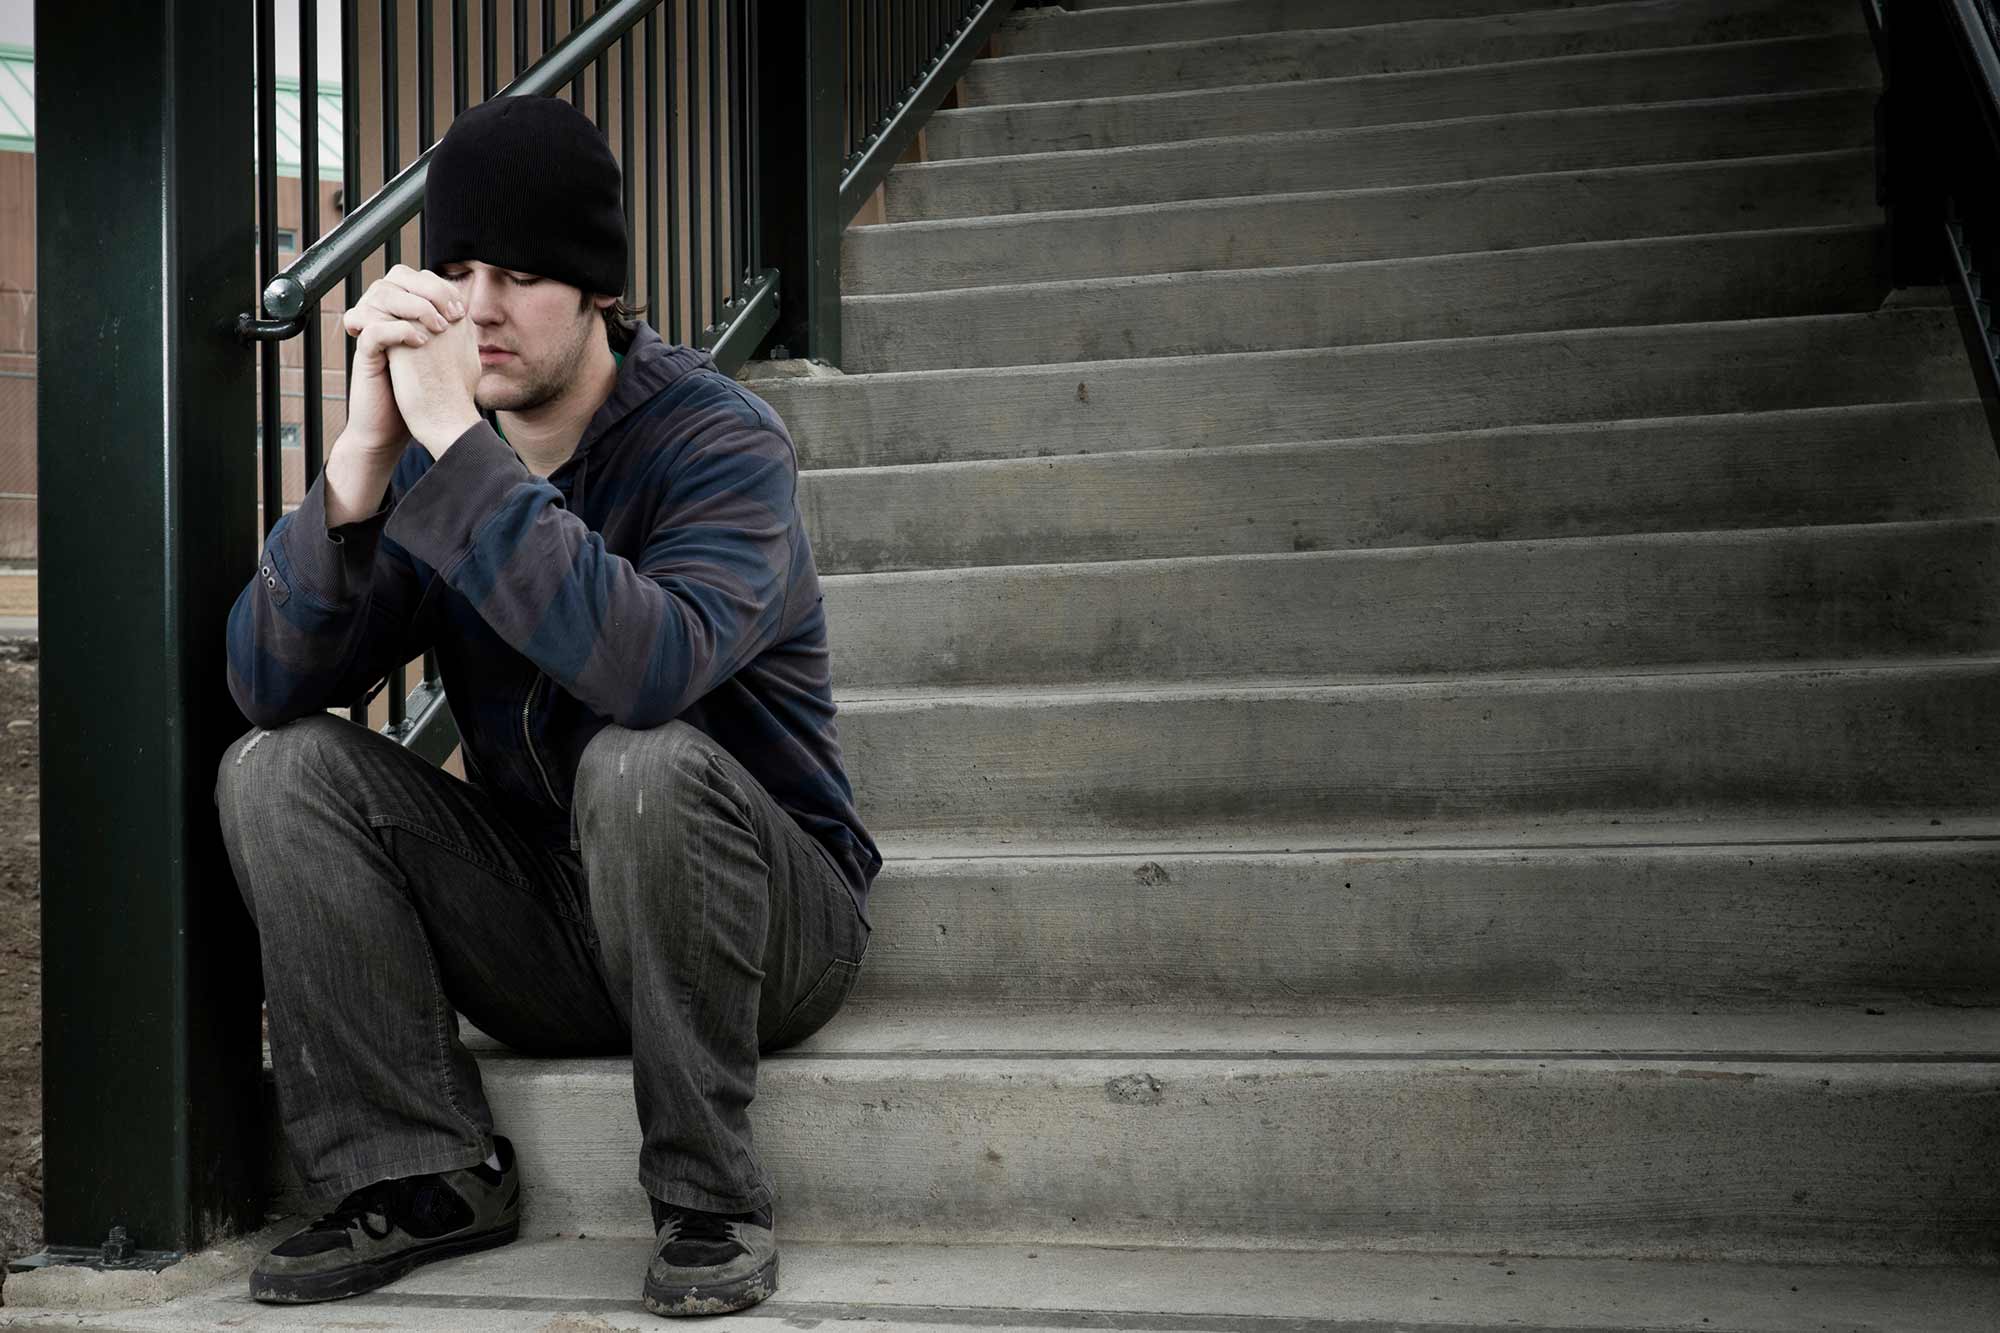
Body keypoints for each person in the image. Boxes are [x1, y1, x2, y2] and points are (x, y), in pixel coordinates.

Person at [214, 94, 877, 1318]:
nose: (478, 308)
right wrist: (360, 466)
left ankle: (707, 1198)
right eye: (458, 268)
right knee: (276, 767)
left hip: (767, 917)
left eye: (520, 276)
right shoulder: (436, 459)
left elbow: (644, 670)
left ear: (600, 294)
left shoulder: (722, 445)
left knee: (638, 761)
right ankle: (419, 1177)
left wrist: (458, 447)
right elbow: (268, 683)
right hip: (556, 915)